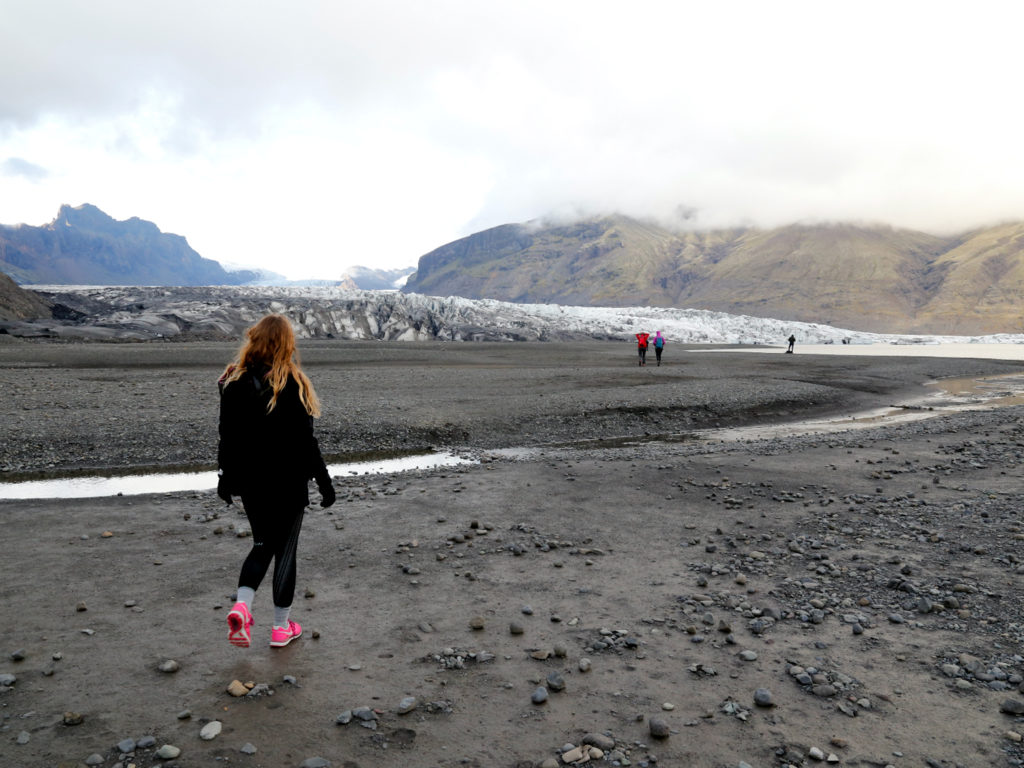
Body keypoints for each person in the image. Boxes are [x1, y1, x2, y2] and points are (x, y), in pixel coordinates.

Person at [216, 314, 336, 649]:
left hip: (251, 484)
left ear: (254, 340)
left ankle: (242, 605)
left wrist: (225, 480)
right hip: (288, 484)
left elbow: (227, 437)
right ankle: (281, 629)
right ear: (286, 344)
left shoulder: (234, 384)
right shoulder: (293, 384)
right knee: (285, 553)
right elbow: (307, 445)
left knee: (261, 544)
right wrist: (325, 485)